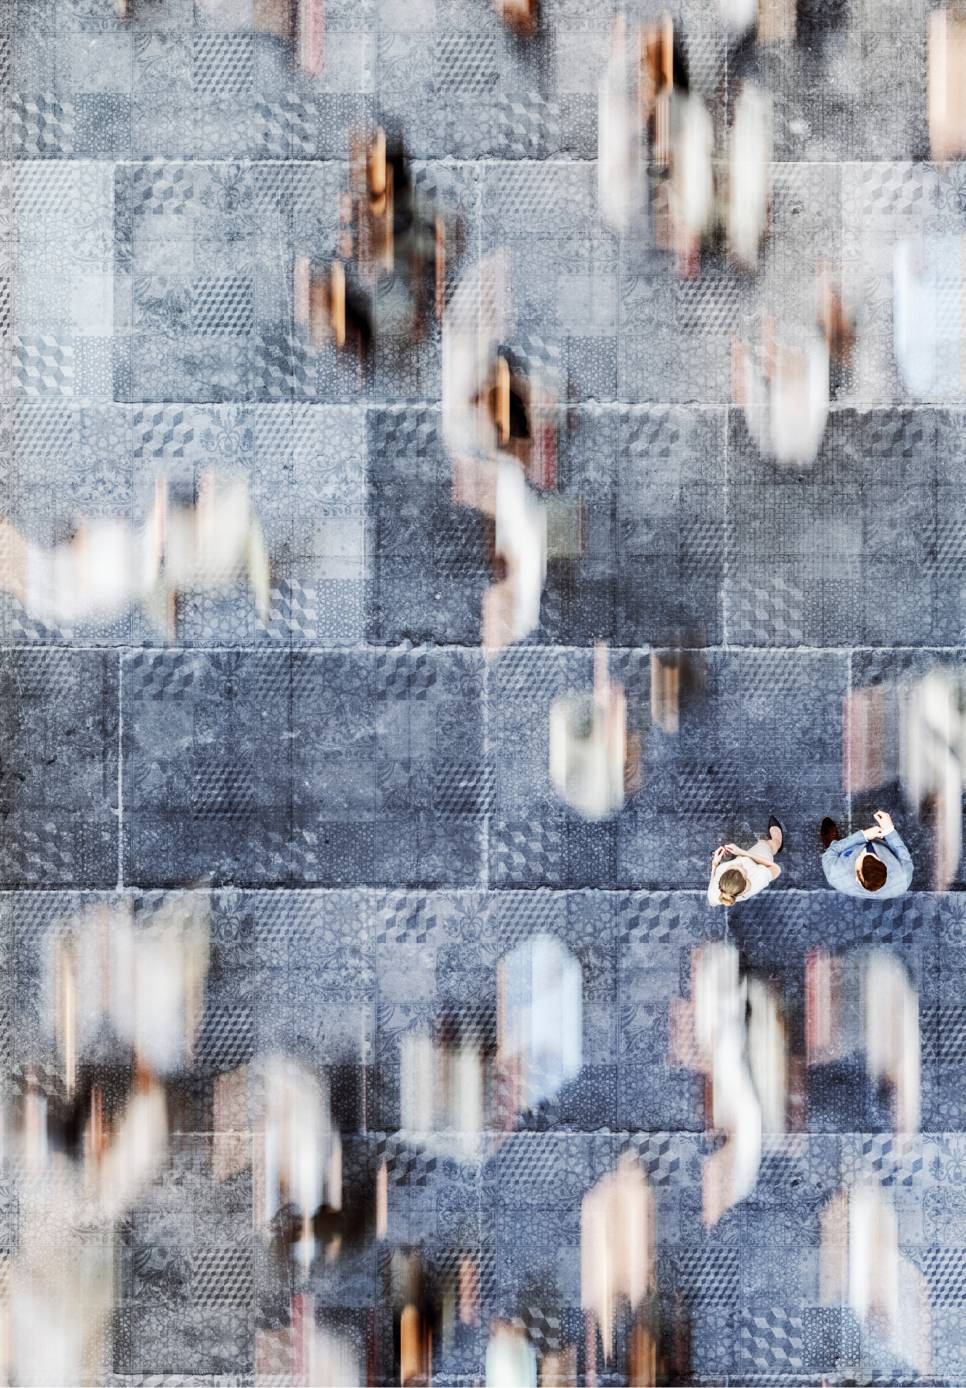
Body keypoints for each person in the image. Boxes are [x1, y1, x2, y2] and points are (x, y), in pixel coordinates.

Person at [820, 811, 913, 899]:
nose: (867, 852)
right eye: (874, 856)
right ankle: (881, 842)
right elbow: (903, 854)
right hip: (882, 845)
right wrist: (890, 831)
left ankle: (833, 842)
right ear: (885, 866)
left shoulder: (835, 875)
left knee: (834, 848)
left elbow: (830, 853)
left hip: (846, 849)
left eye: (861, 857)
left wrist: (863, 836)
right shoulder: (902, 882)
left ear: (857, 877)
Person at [707, 817, 784, 906]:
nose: (739, 862)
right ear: (746, 879)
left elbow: (712, 903)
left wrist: (715, 864)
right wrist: (742, 852)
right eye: (742, 868)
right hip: (758, 861)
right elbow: (776, 869)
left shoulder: (714, 894)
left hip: (744, 865)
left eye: (732, 865)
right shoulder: (759, 877)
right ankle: (777, 843)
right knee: (768, 845)